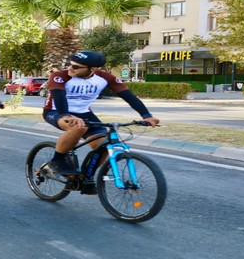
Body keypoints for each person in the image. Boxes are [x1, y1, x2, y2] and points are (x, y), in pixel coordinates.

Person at [42, 51, 160, 187]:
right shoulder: (59, 76)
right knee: (79, 126)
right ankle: (57, 160)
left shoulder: (105, 78)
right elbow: (59, 97)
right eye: (70, 64)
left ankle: (85, 177)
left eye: (75, 67)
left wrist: (147, 116)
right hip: (56, 111)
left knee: (103, 144)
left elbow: (129, 96)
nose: (70, 68)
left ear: (92, 69)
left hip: (85, 113)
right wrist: (66, 115)